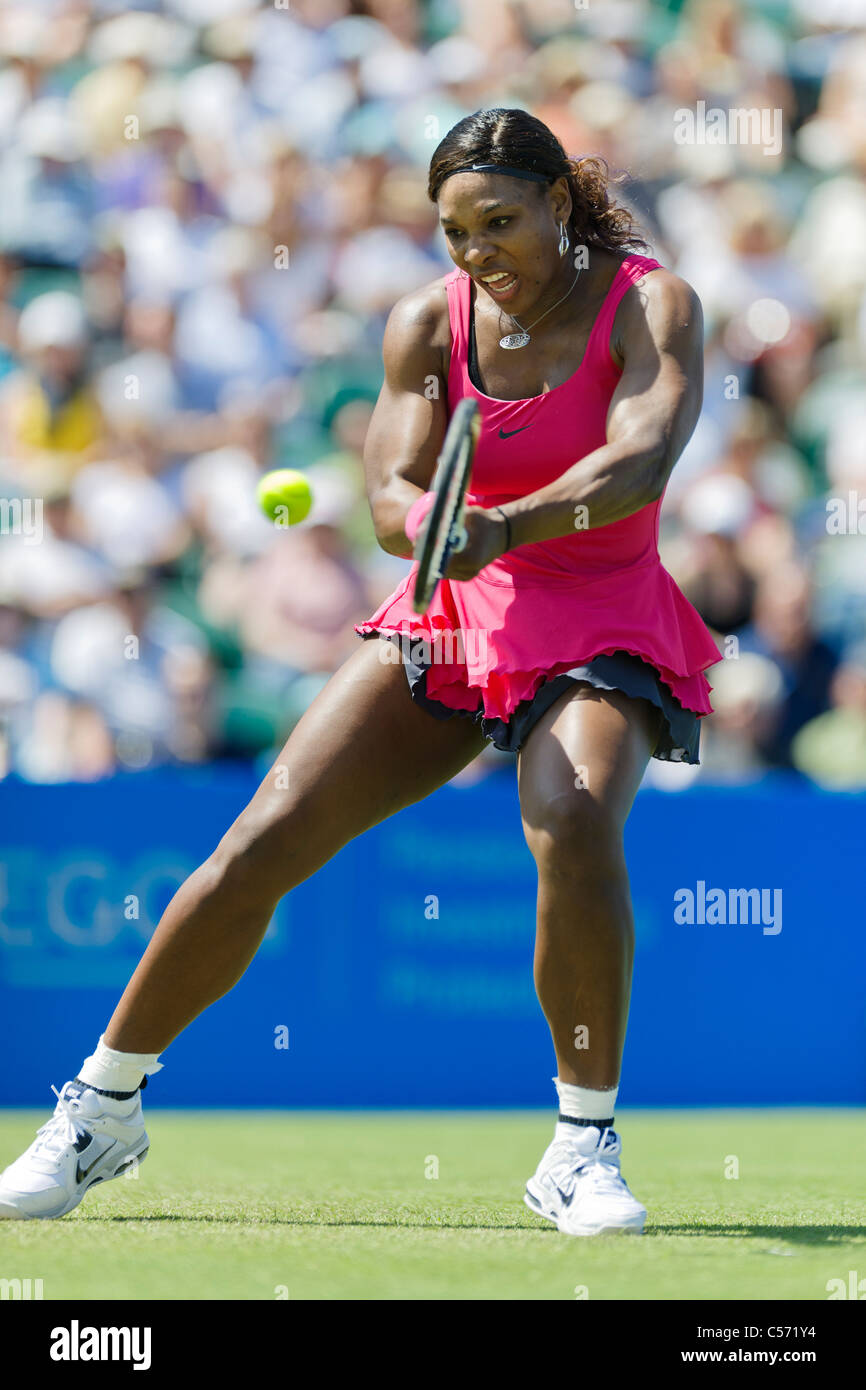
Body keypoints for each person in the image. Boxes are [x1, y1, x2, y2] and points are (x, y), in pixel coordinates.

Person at [0, 109, 722, 1238]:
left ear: (560, 207)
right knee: (260, 839)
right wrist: (427, 521)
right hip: (457, 610)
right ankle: (102, 1104)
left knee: (569, 814)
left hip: (599, 612)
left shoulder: (649, 301)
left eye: (501, 220)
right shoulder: (422, 327)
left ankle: (581, 1147)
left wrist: (509, 520)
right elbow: (390, 491)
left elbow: (641, 455)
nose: (478, 249)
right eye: (453, 231)